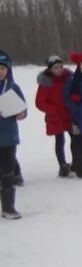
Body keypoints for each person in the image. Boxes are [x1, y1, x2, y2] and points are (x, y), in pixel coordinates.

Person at [0, 53, 28, 219]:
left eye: (3, 68)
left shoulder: (12, 87)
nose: (0, 72)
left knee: (7, 174)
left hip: (9, 137)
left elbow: (23, 109)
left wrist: (21, 114)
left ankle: (8, 207)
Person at [35, 54, 73, 177]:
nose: (59, 70)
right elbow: (40, 102)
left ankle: (77, 162)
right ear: (50, 69)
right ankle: (62, 165)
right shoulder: (46, 82)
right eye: (56, 67)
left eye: (61, 67)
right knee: (59, 140)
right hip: (55, 117)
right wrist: (54, 110)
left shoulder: (69, 77)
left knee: (76, 138)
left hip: (69, 113)